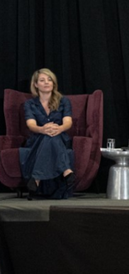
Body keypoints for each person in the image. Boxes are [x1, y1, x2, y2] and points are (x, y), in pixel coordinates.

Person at [19, 68, 76, 199]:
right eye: (42, 80)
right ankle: (66, 170)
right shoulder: (30, 104)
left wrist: (59, 129)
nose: (46, 83)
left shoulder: (63, 101)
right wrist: (42, 129)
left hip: (60, 136)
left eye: (49, 80)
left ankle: (36, 178)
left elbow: (68, 122)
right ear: (35, 84)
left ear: (54, 83)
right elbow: (31, 124)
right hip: (38, 137)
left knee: (52, 135)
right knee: (48, 136)